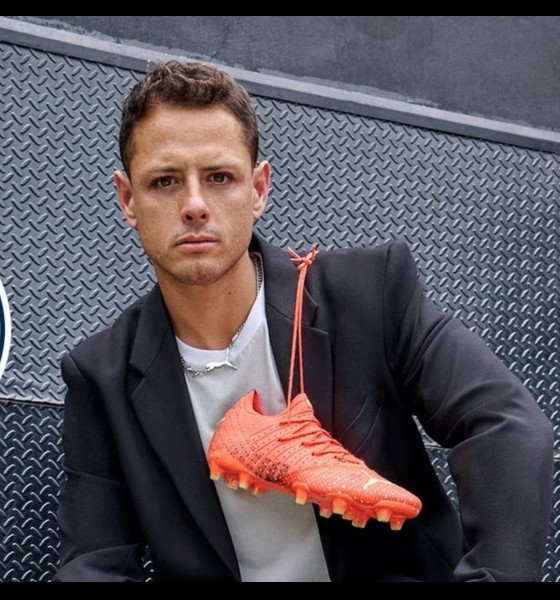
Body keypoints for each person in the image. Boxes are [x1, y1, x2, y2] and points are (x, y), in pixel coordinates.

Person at [54, 60, 554, 581]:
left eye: (220, 177)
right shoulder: (102, 377)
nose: (195, 205)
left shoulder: (368, 296)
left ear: (258, 189)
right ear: (128, 199)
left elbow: (507, 424)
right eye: (165, 181)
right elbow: (94, 562)